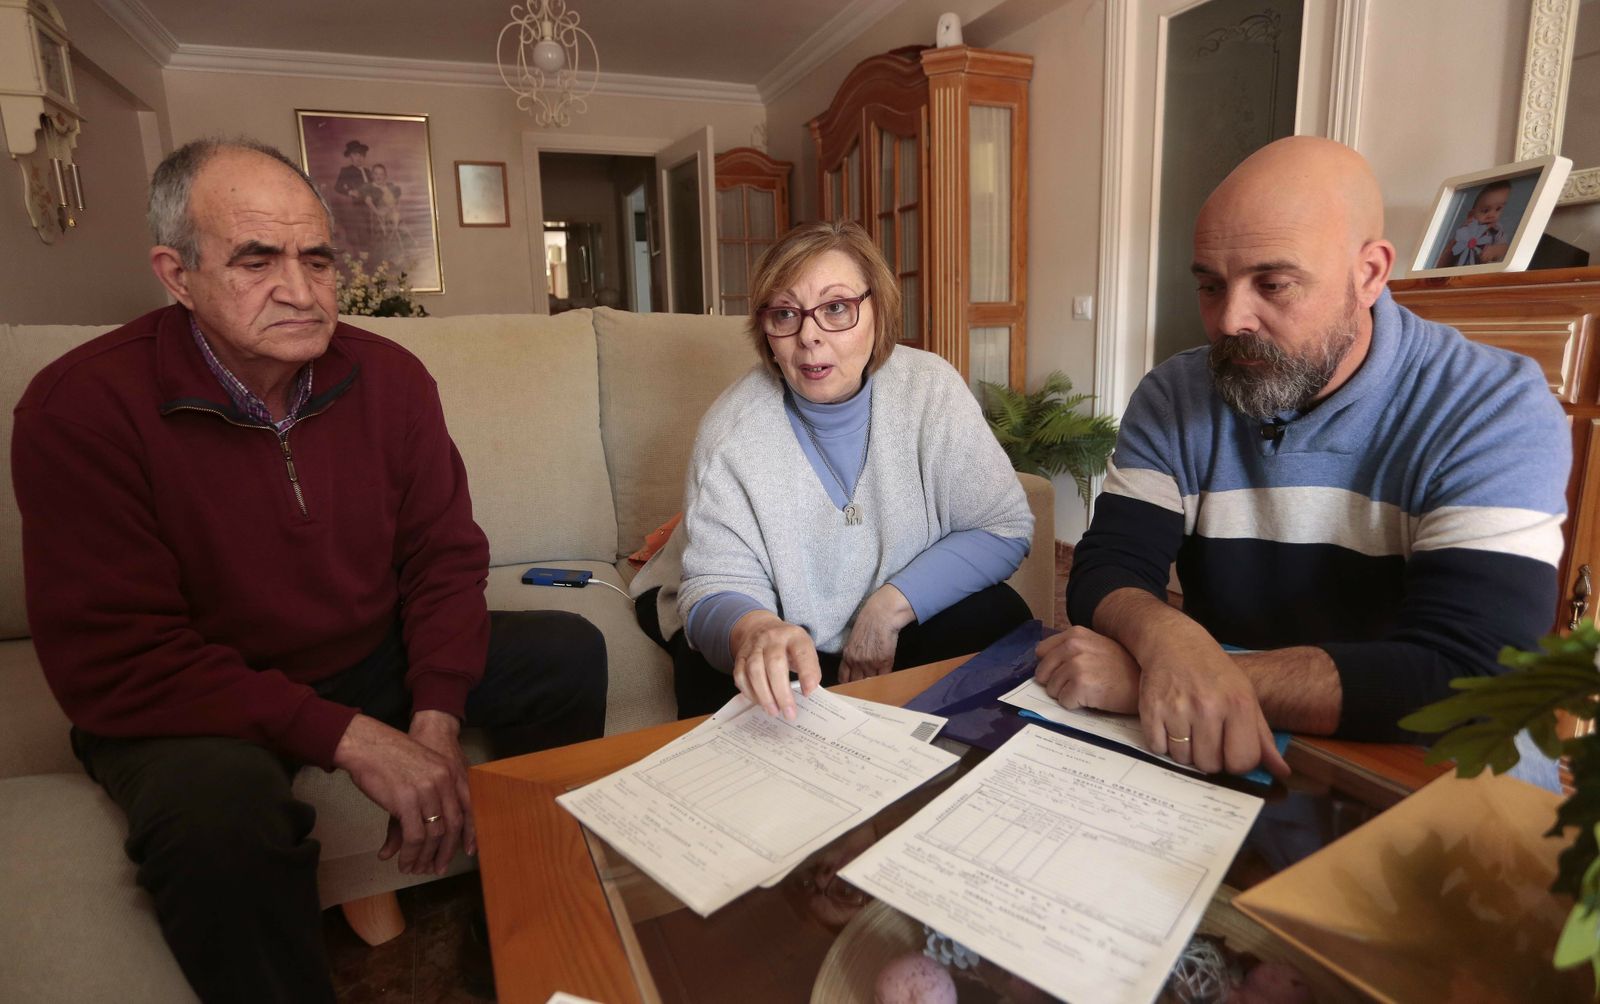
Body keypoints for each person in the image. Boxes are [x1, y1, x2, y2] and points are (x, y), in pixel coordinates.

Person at [11, 138, 608, 1003]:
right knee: (218, 822)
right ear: (177, 275)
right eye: (257, 261)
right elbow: (118, 657)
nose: (300, 289)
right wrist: (353, 738)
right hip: (194, 695)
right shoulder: (80, 408)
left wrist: (436, 715)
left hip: (364, 653)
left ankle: (524, 936)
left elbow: (443, 557)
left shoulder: (391, 379)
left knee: (567, 653)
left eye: (318, 259)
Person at [1041, 136, 1569, 779]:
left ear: (1369, 274)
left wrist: (1184, 676)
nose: (1230, 320)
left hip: (1431, 760)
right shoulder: (1175, 395)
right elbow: (1108, 566)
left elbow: (1472, 676)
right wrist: (1167, 639)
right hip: (1228, 739)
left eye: (1274, 284)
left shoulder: (1492, 405)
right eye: (1210, 285)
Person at [632, 221, 1036, 719]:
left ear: (878, 311)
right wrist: (756, 629)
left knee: (1000, 616)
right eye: (785, 313)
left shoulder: (931, 390)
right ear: (766, 331)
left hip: (897, 616)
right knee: (729, 679)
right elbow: (714, 584)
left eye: (836, 308)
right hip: (777, 627)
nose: (809, 337)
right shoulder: (730, 434)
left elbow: (1001, 525)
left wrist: (889, 607)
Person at [1435, 180, 1510, 267]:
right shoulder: (1465, 231)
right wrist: (1456, 240)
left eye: (1498, 209)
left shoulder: (1496, 230)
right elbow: (1446, 258)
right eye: (1485, 210)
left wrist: (1494, 251)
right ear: (1471, 215)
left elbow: (1504, 248)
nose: (1492, 215)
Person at [332, 138, 372, 248]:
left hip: (373, 205)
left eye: (361, 155)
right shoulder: (346, 171)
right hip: (359, 204)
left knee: (373, 229)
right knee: (363, 230)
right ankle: (364, 252)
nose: (359, 157)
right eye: (355, 154)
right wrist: (350, 192)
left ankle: (375, 252)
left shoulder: (368, 171)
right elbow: (337, 187)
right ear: (350, 156)